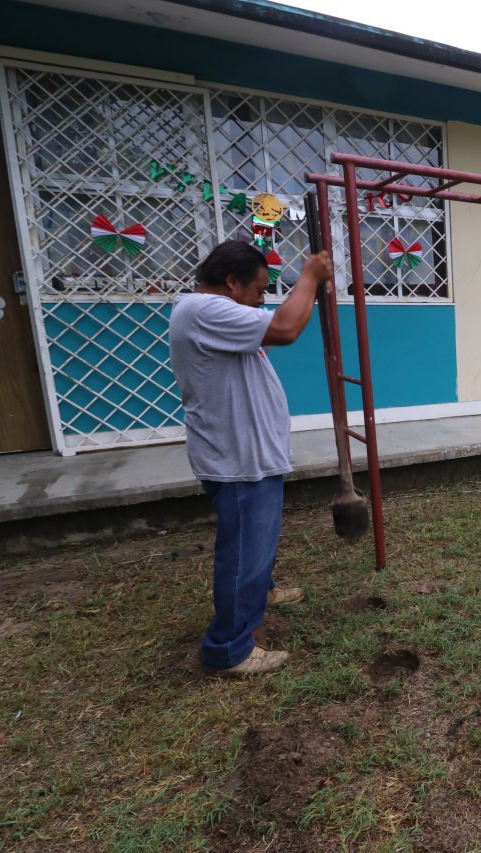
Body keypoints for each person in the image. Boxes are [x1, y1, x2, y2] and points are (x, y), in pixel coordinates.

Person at [169, 241, 334, 676]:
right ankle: (229, 650)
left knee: (255, 544)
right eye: (259, 290)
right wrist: (310, 277)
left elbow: (276, 327)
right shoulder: (205, 309)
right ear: (231, 282)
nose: (263, 299)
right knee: (244, 551)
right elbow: (285, 327)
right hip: (238, 460)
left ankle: (261, 593)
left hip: (248, 454)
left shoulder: (213, 316)